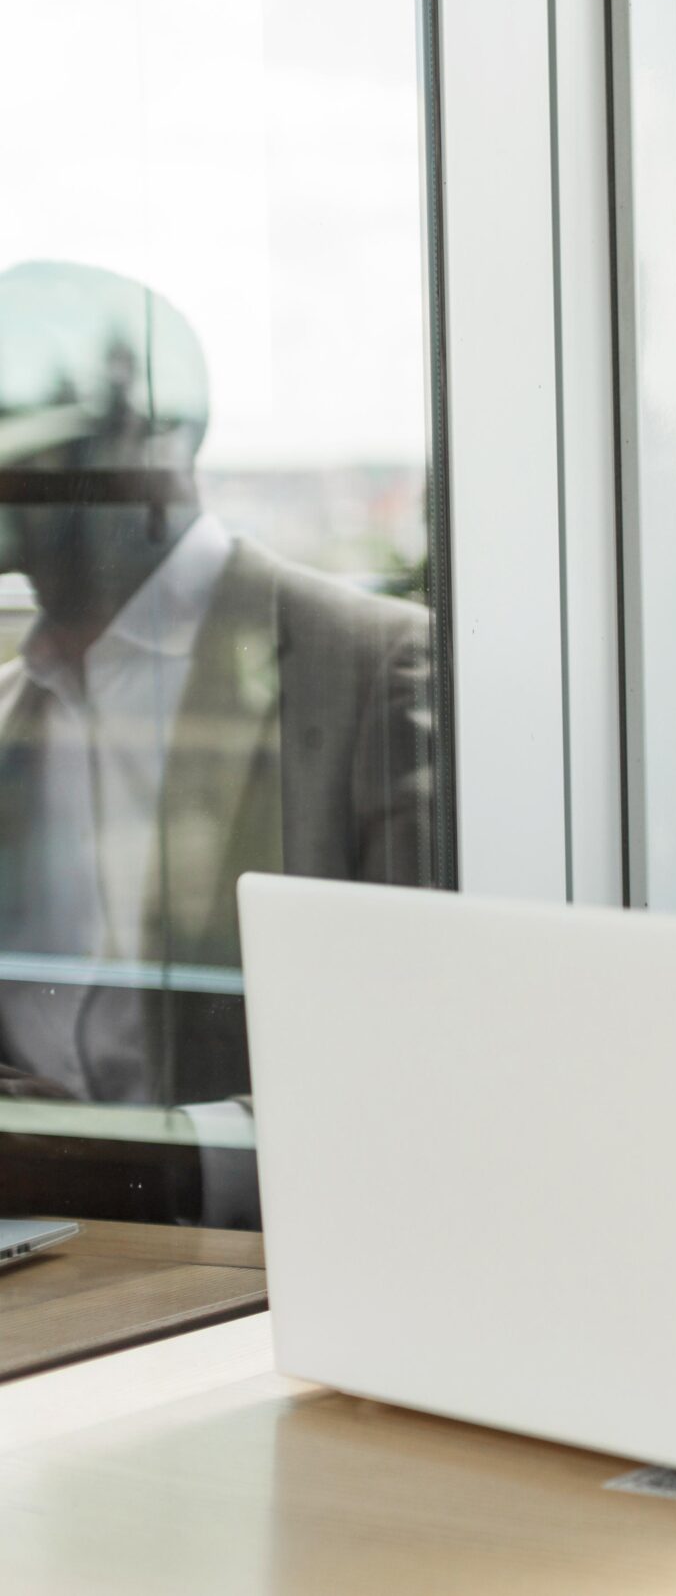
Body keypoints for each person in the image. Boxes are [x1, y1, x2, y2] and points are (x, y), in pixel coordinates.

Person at [0, 260, 437, 1225]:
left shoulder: (372, 670)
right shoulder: (12, 715)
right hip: (47, 1262)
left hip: (265, 1284)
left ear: (155, 439)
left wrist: (129, 1167)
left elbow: (429, 1062)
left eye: (38, 430)